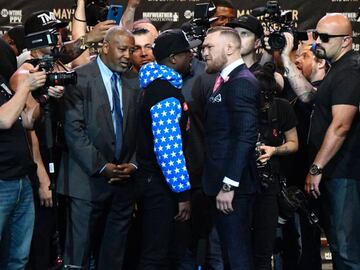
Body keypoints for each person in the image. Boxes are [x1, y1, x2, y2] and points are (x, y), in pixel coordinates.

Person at [281, 13, 360, 270]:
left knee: (346, 249)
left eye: (325, 38)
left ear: (346, 41)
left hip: (344, 173)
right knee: (338, 244)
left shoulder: (350, 70)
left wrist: (316, 167)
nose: (317, 43)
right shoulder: (338, 69)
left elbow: (340, 126)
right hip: (334, 173)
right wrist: (286, 59)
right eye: (316, 36)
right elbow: (307, 96)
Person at [57, 26, 139, 269]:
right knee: (78, 258)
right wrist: (102, 167)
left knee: (113, 258)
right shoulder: (78, 78)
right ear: (105, 47)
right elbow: (74, 131)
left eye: (131, 50)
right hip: (85, 182)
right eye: (122, 49)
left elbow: (141, 131)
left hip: (124, 182)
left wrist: (133, 164)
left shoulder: (136, 79)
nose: (127, 55)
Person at [136, 28, 198, 270]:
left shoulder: (156, 86)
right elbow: (168, 150)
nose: (191, 56)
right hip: (161, 188)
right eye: (186, 53)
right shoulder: (164, 94)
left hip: (156, 183)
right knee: (157, 255)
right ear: (173, 59)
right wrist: (182, 194)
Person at [201, 26, 259, 270]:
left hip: (232, 189)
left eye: (208, 47)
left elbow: (245, 136)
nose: (203, 52)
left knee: (237, 257)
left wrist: (229, 184)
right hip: (220, 184)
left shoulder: (241, 82)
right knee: (227, 255)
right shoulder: (225, 79)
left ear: (229, 48)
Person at [0, 68, 47, 269]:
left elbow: (25, 122)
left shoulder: (0, 80)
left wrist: (43, 98)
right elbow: (4, 119)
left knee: (18, 259)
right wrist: (26, 85)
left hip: (20, 179)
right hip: (2, 183)